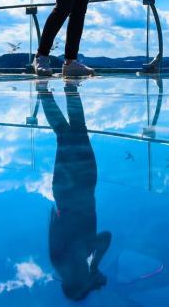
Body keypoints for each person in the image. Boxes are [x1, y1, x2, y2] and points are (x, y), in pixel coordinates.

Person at [39, 80, 112, 300]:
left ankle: (56, 90)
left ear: (78, 282)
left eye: (85, 285)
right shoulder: (65, 259)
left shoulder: (72, 258)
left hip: (76, 186)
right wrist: (92, 267)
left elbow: (105, 238)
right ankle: (53, 91)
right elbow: (106, 237)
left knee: (71, 131)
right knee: (71, 131)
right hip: (71, 188)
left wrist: (94, 268)